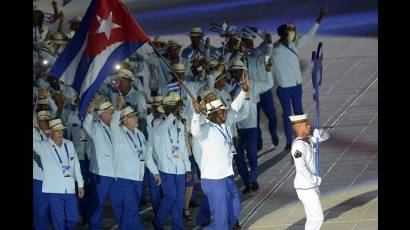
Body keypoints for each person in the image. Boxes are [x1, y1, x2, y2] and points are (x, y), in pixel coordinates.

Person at [191, 70, 249, 230]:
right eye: (223, 111)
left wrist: (243, 91)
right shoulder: (205, 129)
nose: (226, 112)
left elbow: (235, 108)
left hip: (227, 175)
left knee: (235, 210)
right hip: (214, 179)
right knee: (221, 222)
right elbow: (195, 131)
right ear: (214, 114)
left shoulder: (224, 123)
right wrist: (196, 114)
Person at [272, 7, 328, 150]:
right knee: (287, 114)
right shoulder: (273, 49)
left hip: (295, 86)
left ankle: (302, 138)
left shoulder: (294, 45)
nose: (292, 34)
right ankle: (289, 142)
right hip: (283, 87)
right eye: (289, 32)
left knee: (298, 112)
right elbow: (266, 63)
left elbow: (309, 36)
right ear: (284, 34)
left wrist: (319, 18)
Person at [111, 96, 161, 230]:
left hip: (138, 179)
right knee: (132, 212)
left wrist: (155, 172)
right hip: (124, 179)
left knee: (128, 214)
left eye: (136, 115)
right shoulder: (118, 132)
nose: (136, 118)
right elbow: (113, 124)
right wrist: (118, 108)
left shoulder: (140, 134)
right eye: (133, 116)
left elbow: (146, 156)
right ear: (124, 119)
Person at [229, 60, 273, 193]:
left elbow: (269, 84)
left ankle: (252, 179)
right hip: (235, 128)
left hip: (251, 125)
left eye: (238, 71)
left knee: (252, 153)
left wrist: (268, 70)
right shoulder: (228, 87)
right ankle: (248, 181)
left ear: (244, 71)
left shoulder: (253, 84)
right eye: (234, 72)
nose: (236, 74)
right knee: (237, 156)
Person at [33, 117, 84, 230]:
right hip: (54, 191)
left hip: (69, 189)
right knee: (58, 222)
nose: (61, 132)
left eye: (61, 129)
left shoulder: (69, 144)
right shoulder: (43, 146)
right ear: (50, 132)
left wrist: (80, 184)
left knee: (74, 219)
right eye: (57, 130)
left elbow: (76, 165)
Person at [152, 94, 192, 230]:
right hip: (166, 168)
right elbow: (163, 129)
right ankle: (158, 221)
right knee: (170, 195)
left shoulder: (179, 124)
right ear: (166, 108)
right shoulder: (157, 123)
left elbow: (184, 148)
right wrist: (173, 113)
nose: (177, 110)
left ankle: (178, 226)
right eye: (174, 107)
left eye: (177, 108)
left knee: (180, 199)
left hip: (180, 168)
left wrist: (188, 168)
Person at [83, 100, 120, 229]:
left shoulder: (111, 128)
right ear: (102, 114)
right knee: (98, 203)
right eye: (110, 113)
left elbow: (116, 122)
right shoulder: (95, 127)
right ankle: (94, 226)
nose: (112, 115)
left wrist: (119, 107)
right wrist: (90, 112)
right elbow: (86, 125)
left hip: (113, 172)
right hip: (101, 172)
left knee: (118, 203)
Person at [289, 114, 329, 230]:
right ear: (300, 128)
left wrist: (320, 133)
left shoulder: (308, 140)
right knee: (317, 217)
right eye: (306, 125)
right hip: (306, 186)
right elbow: (301, 167)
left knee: (312, 218)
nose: (309, 126)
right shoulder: (298, 146)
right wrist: (313, 179)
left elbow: (326, 136)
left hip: (310, 185)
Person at [33, 111, 51, 230]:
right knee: (39, 208)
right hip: (38, 177)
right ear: (38, 122)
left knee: (45, 208)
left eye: (46, 121)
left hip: (49, 178)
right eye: (42, 121)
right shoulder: (34, 133)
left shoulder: (48, 135)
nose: (44, 123)